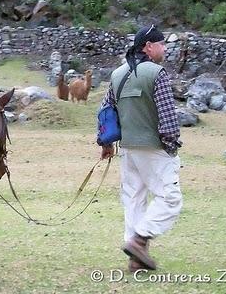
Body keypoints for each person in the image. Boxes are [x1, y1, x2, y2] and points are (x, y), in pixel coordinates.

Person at [97, 25, 183, 272]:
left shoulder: (117, 74)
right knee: (170, 197)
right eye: (161, 43)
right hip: (154, 148)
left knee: (134, 200)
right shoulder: (158, 73)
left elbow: (105, 111)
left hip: (128, 150)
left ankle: (136, 259)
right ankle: (139, 239)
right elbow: (167, 116)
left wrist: (105, 143)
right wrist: (171, 146)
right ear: (148, 46)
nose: (164, 48)